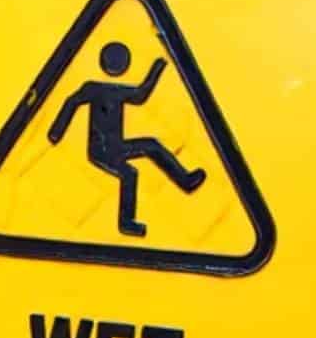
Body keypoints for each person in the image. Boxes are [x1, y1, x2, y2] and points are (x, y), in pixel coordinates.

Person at [48, 40, 206, 238]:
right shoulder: (93, 88)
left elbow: (141, 93)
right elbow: (71, 102)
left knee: (150, 147)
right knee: (130, 173)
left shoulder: (117, 90)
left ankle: (185, 180)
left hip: (115, 146)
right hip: (101, 150)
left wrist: (158, 67)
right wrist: (57, 131)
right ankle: (126, 222)